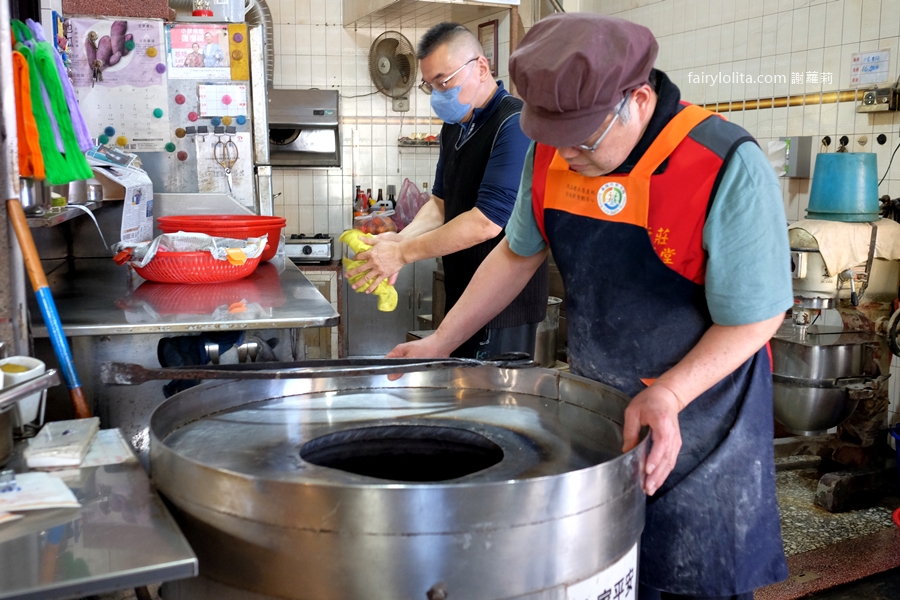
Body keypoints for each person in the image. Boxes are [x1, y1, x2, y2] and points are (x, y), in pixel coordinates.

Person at [387, 13, 792, 600]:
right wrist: (440, 342)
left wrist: (670, 393)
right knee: (609, 577)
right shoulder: (551, 155)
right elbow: (516, 254)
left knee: (694, 580)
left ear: (639, 100)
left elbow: (756, 315)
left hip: (705, 426)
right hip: (602, 420)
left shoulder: (722, 165)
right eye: (552, 137)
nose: (565, 154)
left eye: (582, 137)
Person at [347, 23, 548, 359]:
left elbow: (486, 223)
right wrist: (400, 239)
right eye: (431, 86)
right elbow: (440, 204)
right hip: (462, 297)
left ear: (481, 67)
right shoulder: (455, 127)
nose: (438, 95)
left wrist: (403, 254)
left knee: (488, 392)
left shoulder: (514, 124)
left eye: (444, 82)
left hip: (503, 308)